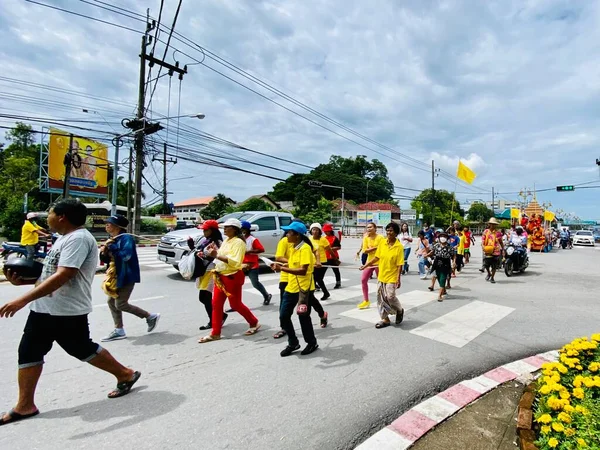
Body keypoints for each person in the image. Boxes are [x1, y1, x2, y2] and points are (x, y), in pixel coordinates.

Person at [0, 200, 141, 426]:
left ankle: (125, 374)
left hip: (65, 311)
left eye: (50, 213)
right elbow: (50, 274)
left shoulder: (79, 239)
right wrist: (25, 283)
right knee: (29, 351)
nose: (47, 217)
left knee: (81, 348)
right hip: (45, 308)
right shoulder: (64, 238)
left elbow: (65, 275)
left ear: (62, 216)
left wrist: (21, 301)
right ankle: (25, 405)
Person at [198, 218, 261, 343]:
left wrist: (216, 254)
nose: (225, 229)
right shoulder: (227, 240)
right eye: (224, 227)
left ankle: (254, 322)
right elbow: (219, 258)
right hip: (220, 275)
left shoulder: (239, 242)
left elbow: (235, 262)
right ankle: (215, 333)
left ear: (236, 229)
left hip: (232, 277)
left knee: (235, 304)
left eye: (228, 227)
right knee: (216, 305)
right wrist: (210, 254)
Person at [99, 215, 160, 342]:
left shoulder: (126, 238)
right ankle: (119, 330)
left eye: (109, 223)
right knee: (111, 302)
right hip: (115, 275)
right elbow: (108, 259)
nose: (107, 225)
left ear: (117, 226)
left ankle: (150, 316)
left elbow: (126, 256)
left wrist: (112, 247)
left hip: (126, 275)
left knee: (120, 304)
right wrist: (104, 251)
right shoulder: (113, 239)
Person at [271, 221, 319, 357]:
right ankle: (293, 342)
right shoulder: (293, 247)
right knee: (284, 316)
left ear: (297, 235)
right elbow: (291, 263)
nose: (286, 235)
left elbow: (303, 271)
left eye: (289, 232)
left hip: (304, 289)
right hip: (291, 287)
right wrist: (278, 264)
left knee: (303, 316)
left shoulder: (305, 249)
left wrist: (282, 268)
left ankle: (311, 342)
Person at [360, 222, 405, 329]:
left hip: (392, 276)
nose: (389, 233)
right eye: (388, 230)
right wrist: (366, 265)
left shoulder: (399, 247)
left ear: (396, 233)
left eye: (391, 231)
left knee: (390, 297)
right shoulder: (383, 243)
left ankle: (399, 310)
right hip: (382, 275)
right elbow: (376, 257)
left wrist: (398, 279)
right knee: (380, 298)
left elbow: (399, 265)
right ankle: (385, 319)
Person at [188, 220, 228, 331]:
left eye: (206, 230)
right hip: (203, 271)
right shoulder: (206, 241)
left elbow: (219, 257)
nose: (204, 232)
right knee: (204, 298)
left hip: (211, 271)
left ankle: (214, 320)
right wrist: (192, 246)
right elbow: (198, 252)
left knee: (205, 297)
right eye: (203, 230)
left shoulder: (218, 242)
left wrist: (207, 256)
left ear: (212, 230)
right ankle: (220, 316)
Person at [240, 221, 272, 306]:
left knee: (255, 283)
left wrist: (249, 251)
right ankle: (236, 303)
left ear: (246, 230)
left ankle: (266, 295)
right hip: (241, 264)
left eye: (241, 228)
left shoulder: (252, 239)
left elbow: (261, 249)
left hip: (252, 264)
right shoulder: (239, 239)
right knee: (237, 284)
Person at [357, 222, 384, 309]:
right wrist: (375, 248)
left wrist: (371, 249)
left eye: (370, 227)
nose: (369, 229)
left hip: (379, 262)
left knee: (381, 282)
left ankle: (383, 300)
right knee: (363, 280)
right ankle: (366, 300)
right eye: (367, 227)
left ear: (375, 228)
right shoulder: (366, 238)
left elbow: (382, 248)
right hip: (370, 262)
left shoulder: (380, 237)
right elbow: (364, 251)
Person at [427, 230, 455, 301]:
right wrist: (427, 255)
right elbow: (432, 252)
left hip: (445, 263)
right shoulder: (436, 245)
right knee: (438, 277)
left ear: (447, 238)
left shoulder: (450, 247)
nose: (443, 238)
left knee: (443, 278)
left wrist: (454, 262)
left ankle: (439, 295)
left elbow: (454, 255)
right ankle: (443, 289)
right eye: (441, 236)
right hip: (437, 263)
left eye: (444, 236)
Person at [309, 223, 332, 301]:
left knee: (317, 278)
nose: (315, 231)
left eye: (317, 230)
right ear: (311, 230)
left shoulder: (323, 239)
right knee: (316, 279)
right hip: (313, 262)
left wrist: (335, 259)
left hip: (322, 262)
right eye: (313, 230)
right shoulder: (309, 238)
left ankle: (311, 296)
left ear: (319, 231)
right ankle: (325, 293)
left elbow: (329, 250)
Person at [482, 218, 503, 283]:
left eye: (494, 224)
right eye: (492, 224)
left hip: (495, 251)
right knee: (486, 264)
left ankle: (492, 277)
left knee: (494, 265)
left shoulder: (498, 233)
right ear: (489, 224)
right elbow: (483, 240)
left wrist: (503, 249)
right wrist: (483, 247)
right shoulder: (486, 231)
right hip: (487, 250)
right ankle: (489, 273)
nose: (493, 226)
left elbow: (501, 242)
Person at [322, 224, 342, 289]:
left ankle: (338, 283)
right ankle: (320, 283)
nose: (326, 232)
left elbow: (339, 247)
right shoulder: (323, 239)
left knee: (336, 270)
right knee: (322, 271)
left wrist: (331, 249)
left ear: (330, 231)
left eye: (327, 231)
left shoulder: (334, 238)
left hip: (334, 257)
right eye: (325, 231)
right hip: (325, 257)